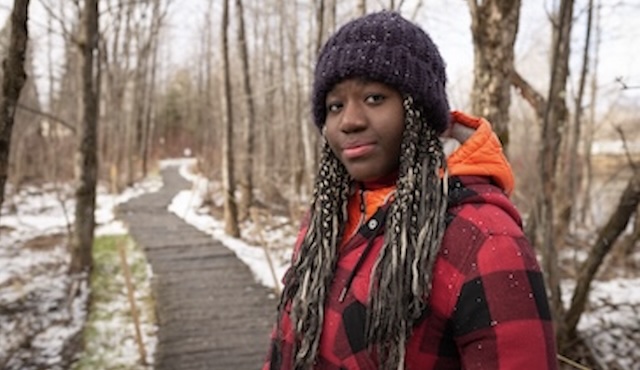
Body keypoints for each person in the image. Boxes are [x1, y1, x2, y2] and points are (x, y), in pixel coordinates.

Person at [264, 10, 558, 370]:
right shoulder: (326, 221)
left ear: (418, 110)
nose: (350, 121)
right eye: (335, 106)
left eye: (374, 98)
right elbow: (285, 345)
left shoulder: (483, 238)